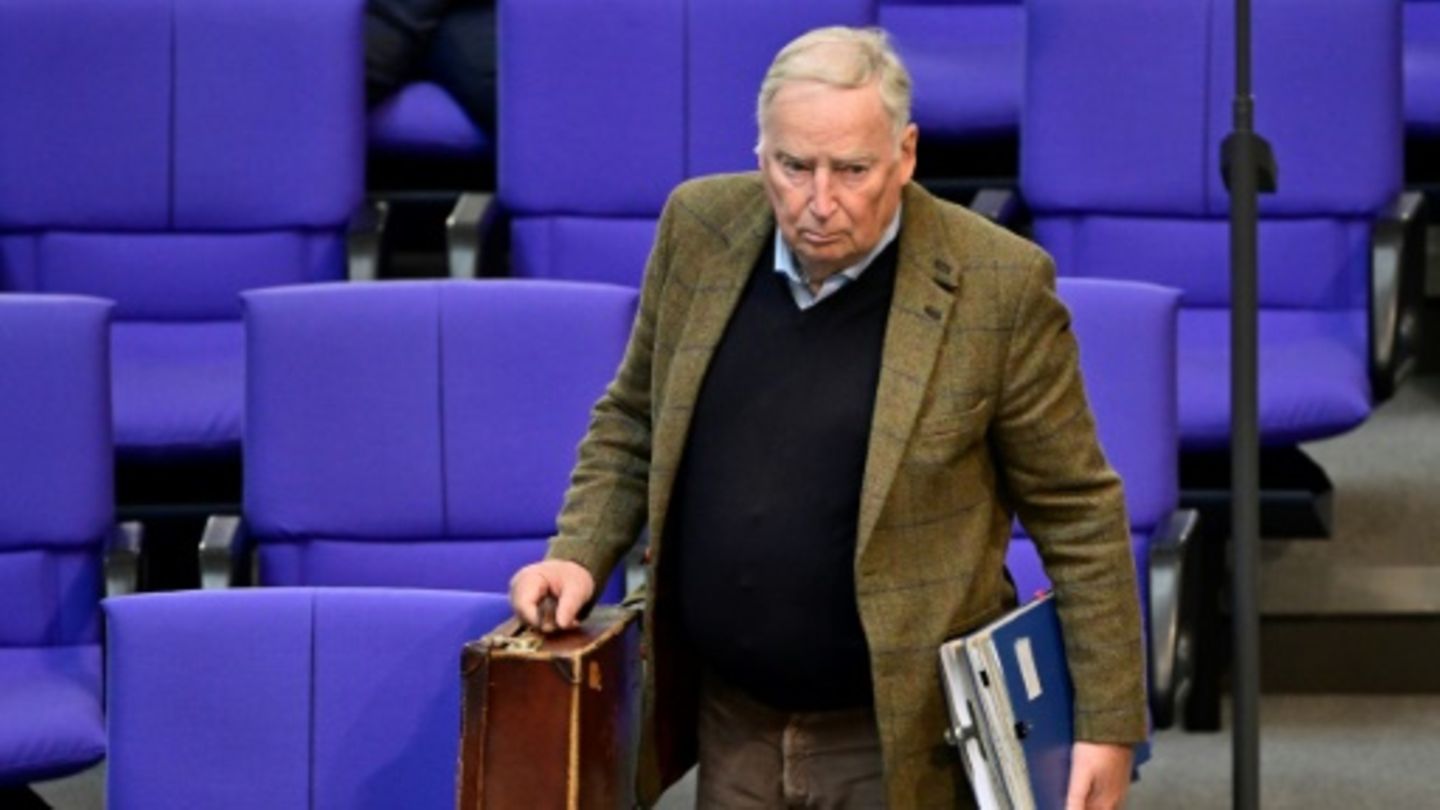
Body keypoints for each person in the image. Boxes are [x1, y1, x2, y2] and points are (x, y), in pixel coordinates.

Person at [510, 26, 1145, 810]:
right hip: (728, 720)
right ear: (760, 154)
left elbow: (1079, 511)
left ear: (905, 156)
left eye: (851, 171)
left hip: (899, 737)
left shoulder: (998, 287)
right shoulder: (699, 230)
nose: (819, 203)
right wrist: (577, 552)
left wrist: (1108, 723)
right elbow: (635, 420)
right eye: (793, 166)